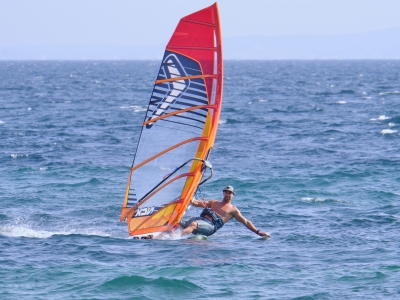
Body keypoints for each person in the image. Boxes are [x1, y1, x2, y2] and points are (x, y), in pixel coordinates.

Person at [180, 185, 270, 238]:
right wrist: (189, 198)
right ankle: (167, 234)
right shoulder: (213, 202)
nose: (227, 194)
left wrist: (258, 232)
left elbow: (245, 222)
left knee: (193, 224)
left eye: (230, 193)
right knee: (180, 222)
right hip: (201, 220)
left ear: (233, 195)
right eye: (226, 192)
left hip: (211, 226)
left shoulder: (233, 210)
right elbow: (196, 203)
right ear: (223, 193)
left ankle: (176, 238)